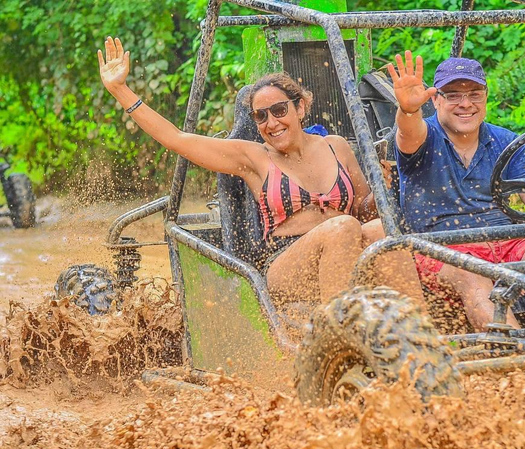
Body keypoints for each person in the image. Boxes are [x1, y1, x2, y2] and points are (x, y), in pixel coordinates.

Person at [98, 37, 425, 308]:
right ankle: (338, 338)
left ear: (300, 108)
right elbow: (176, 139)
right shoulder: (252, 157)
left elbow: (362, 210)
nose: (272, 123)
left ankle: (420, 332)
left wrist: (384, 187)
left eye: (280, 110)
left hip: (345, 246)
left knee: (382, 228)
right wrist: (121, 90)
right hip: (283, 263)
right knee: (341, 227)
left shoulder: (336, 146)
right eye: (261, 116)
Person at [384, 50, 525, 331]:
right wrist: (409, 109)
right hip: (442, 249)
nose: (466, 104)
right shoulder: (424, 135)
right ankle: (522, 359)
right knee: (472, 274)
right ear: (435, 100)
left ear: (485, 97)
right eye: (453, 95)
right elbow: (408, 134)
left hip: (508, 240)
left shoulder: (506, 141)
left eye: (474, 94)